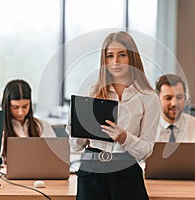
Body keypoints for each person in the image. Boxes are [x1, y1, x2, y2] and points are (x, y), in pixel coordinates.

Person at [67, 31, 161, 200]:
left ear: (132, 58)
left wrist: (125, 137)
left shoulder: (149, 97)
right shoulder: (91, 93)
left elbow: (146, 150)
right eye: (110, 56)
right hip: (91, 170)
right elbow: (75, 146)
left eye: (122, 55)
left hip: (126, 171)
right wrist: (79, 129)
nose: (115, 62)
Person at [1, 79, 56, 163]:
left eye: (25, 106)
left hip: (39, 174)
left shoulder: (42, 126)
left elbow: (54, 157)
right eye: (15, 107)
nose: (20, 112)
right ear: (7, 105)